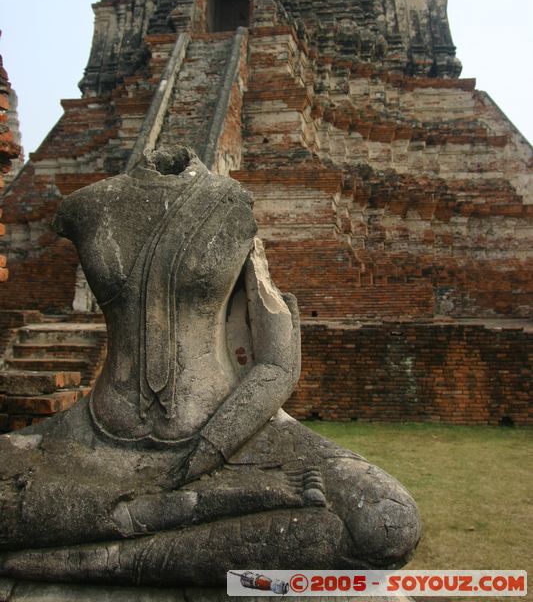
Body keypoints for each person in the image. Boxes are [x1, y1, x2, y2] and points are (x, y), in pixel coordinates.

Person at [0, 146, 420, 586]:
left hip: (229, 437)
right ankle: (182, 517)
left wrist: (210, 450)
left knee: (386, 522)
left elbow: (278, 363)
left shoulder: (233, 205)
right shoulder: (89, 204)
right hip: (93, 438)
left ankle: (106, 559)